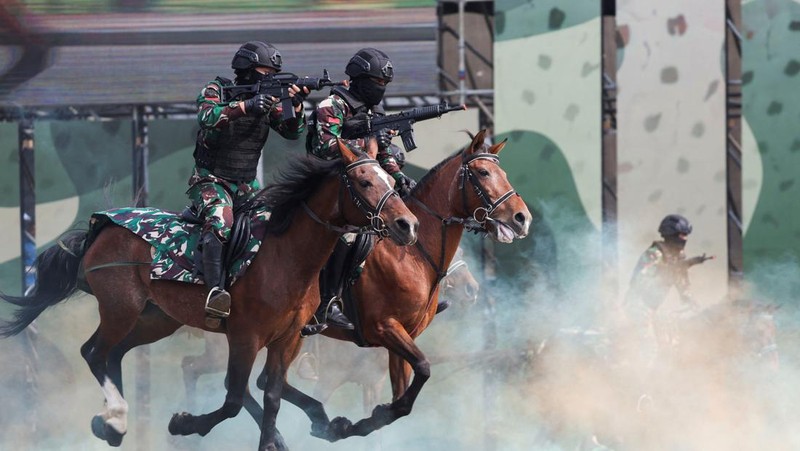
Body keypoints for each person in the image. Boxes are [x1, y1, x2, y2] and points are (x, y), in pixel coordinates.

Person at [189, 41, 309, 327]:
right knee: (220, 223)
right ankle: (215, 294)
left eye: (273, 73)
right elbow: (207, 118)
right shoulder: (216, 89)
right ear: (245, 68)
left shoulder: (270, 101)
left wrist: (296, 103)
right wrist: (245, 106)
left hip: (246, 184)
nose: (268, 77)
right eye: (264, 71)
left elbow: (293, 132)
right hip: (211, 180)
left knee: (281, 222)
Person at [304, 47, 415, 333]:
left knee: (377, 233)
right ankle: (326, 303)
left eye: (385, 85)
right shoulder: (333, 105)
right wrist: (363, 147)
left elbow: (385, 152)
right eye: (377, 83)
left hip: (361, 187)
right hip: (324, 185)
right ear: (359, 79)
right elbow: (324, 146)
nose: (381, 89)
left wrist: (398, 175)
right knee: (349, 236)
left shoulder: (373, 110)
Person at [623, 214, 713, 369]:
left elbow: (681, 280)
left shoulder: (678, 256)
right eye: (681, 235)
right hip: (638, 306)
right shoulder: (654, 253)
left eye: (686, 235)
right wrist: (675, 268)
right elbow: (640, 280)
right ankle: (639, 384)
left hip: (653, 307)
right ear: (670, 234)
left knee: (672, 343)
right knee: (650, 347)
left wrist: (689, 299)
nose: (684, 239)